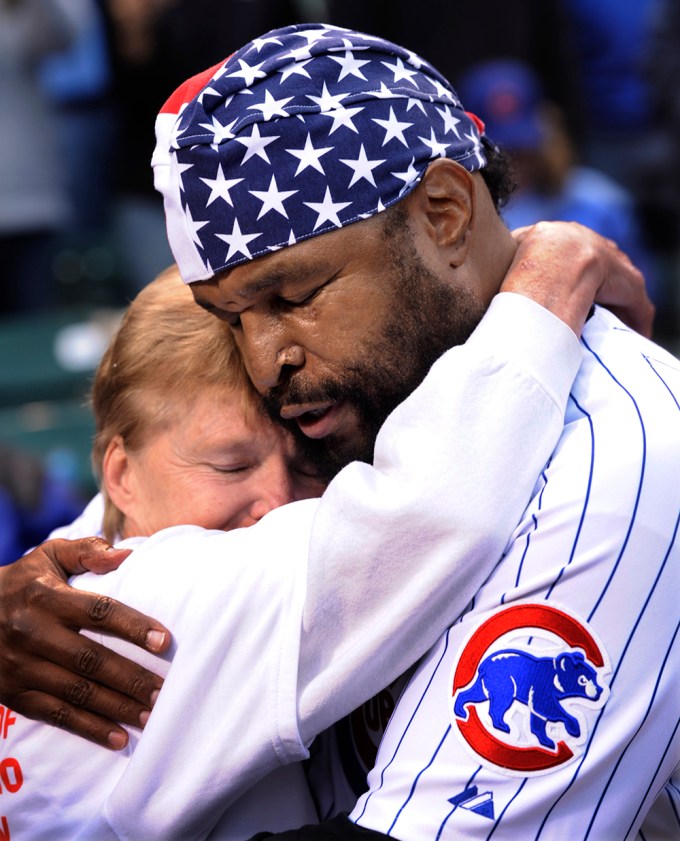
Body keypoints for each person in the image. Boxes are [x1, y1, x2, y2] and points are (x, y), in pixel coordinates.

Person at [0, 23, 664, 840]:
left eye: (295, 295)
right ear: (117, 476)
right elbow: (427, 511)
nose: (265, 358)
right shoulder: (135, 588)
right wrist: (546, 266)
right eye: (232, 317)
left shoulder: (608, 459)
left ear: (448, 213)